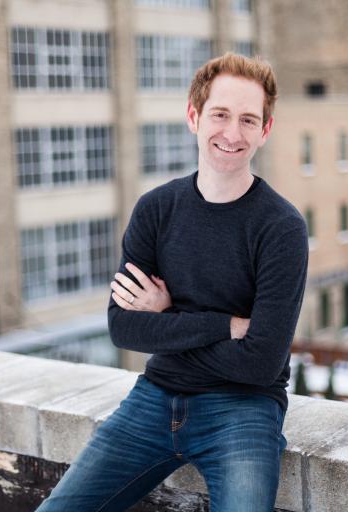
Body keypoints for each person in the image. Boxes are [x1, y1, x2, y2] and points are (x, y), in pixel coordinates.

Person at [36, 52, 309, 512]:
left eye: (248, 120)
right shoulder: (156, 210)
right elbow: (124, 328)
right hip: (154, 399)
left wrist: (166, 317)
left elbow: (261, 363)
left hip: (242, 410)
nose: (232, 133)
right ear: (193, 116)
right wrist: (223, 325)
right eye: (220, 115)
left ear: (265, 130)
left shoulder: (281, 227)